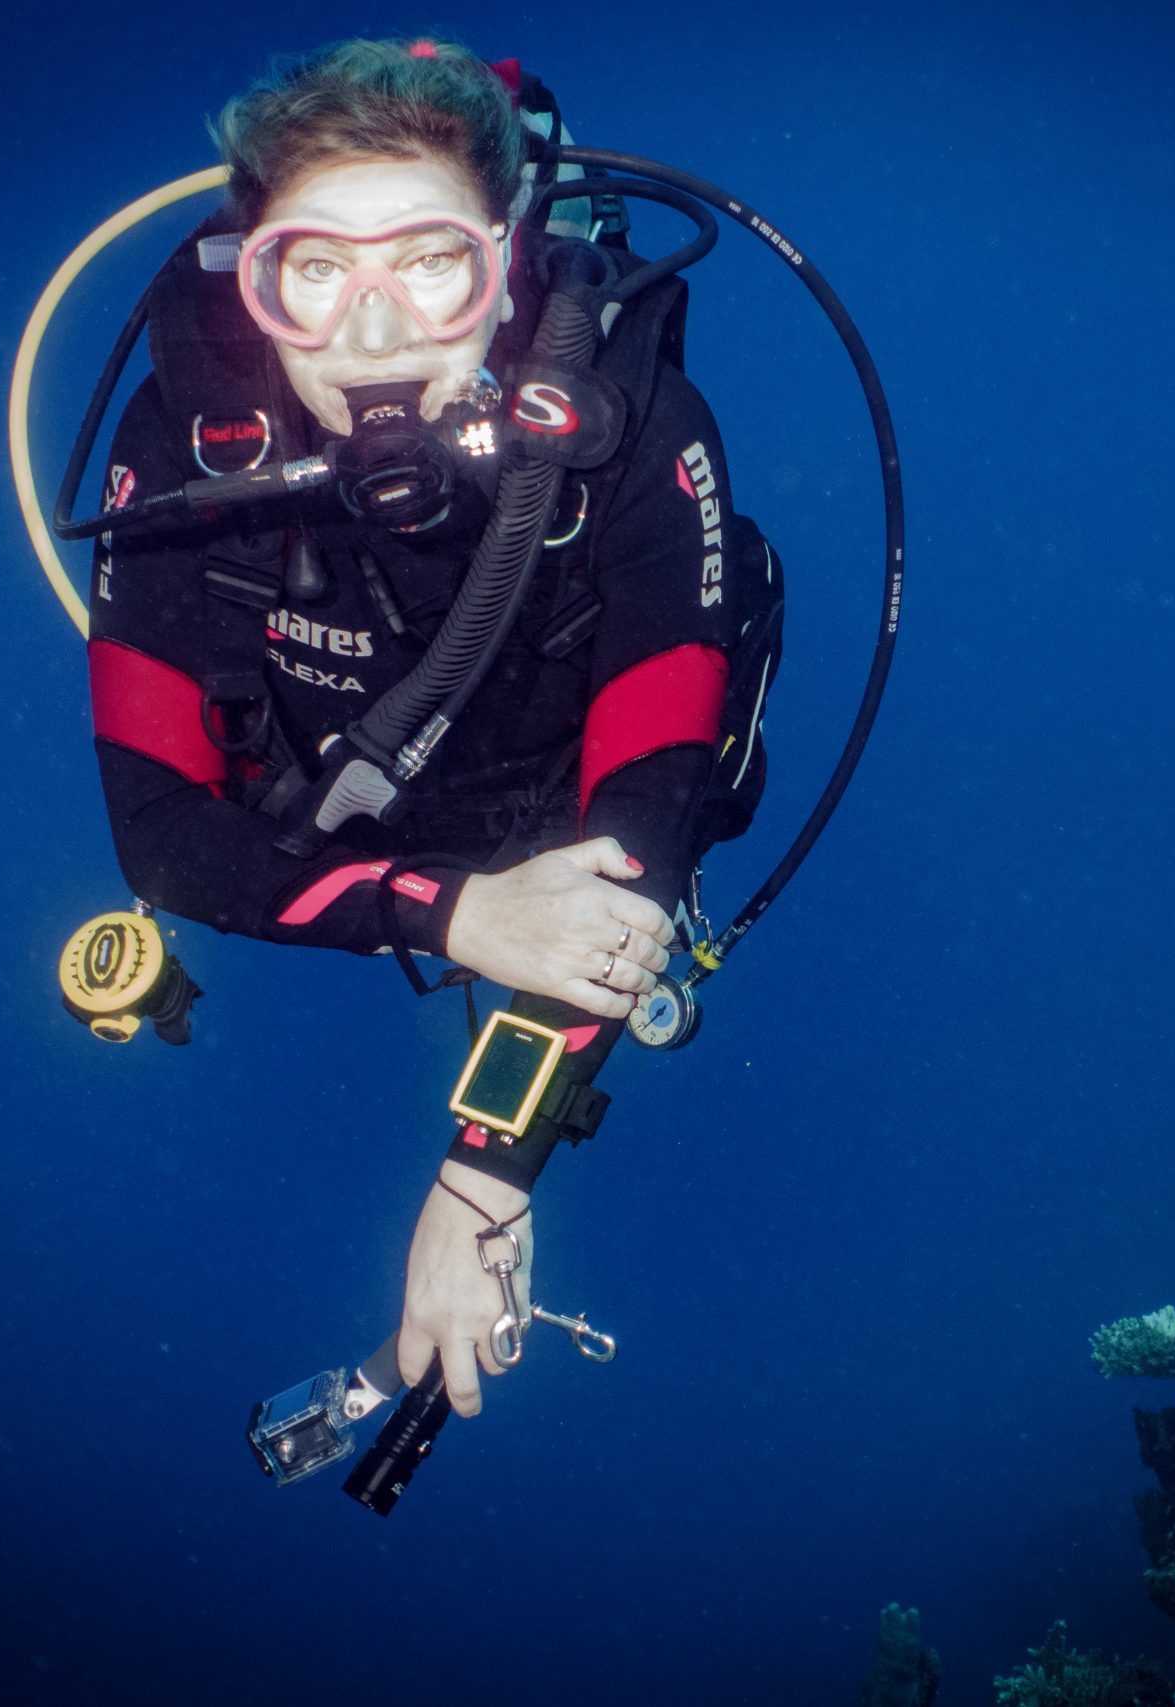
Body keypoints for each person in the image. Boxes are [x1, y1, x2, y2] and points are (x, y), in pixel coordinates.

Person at [83, 37, 771, 1420]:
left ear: (508, 261)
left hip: (566, 836)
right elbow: (163, 838)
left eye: (431, 262)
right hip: (362, 846)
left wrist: (481, 1178)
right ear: (251, 277)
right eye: (316, 271)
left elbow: (628, 864)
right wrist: (453, 917)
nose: (377, 331)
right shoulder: (182, 442)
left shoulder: (635, 432)